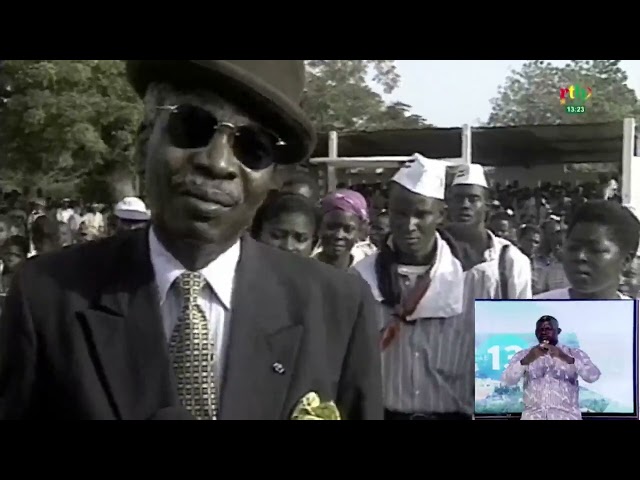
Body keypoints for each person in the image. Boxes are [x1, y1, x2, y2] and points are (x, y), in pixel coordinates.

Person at [0, 60, 382, 420]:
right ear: (144, 140)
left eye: (253, 147)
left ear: (274, 180)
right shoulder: (46, 297)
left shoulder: (339, 308)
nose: (217, 163)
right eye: (192, 127)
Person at [353, 155, 474, 420]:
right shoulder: (359, 279)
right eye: (400, 213)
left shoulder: (473, 281)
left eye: (421, 214)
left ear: (441, 215)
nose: (409, 225)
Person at [446, 164, 532, 299]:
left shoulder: (510, 259)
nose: (465, 205)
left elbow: (519, 316)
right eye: (458, 199)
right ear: (448, 204)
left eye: (473, 199)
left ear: (487, 205)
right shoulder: (432, 253)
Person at [502, 315, 601, 420]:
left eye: (548, 329)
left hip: (566, 417)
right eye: (540, 329)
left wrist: (565, 357)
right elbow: (507, 380)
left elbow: (593, 376)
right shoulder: (524, 355)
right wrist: (527, 360)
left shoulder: (574, 353)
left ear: (558, 331)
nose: (543, 332)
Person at [535, 201, 640, 300]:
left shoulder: (635, 316)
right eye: (573, 248)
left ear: (626, 260)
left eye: (595, 250)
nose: (580, 256)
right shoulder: (534, 311)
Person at [314, 189, 370, 270]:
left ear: (359, 230)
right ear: (319, 227)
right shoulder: (304, 271)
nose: (338, 235)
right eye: (331, 227)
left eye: (348, 229)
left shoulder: (367, 273)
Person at [252, 192, 318, 257]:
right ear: (258, 234)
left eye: (300, 239)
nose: (288, 246)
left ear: (313, 243)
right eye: (277, 235)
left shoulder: (323, 267)